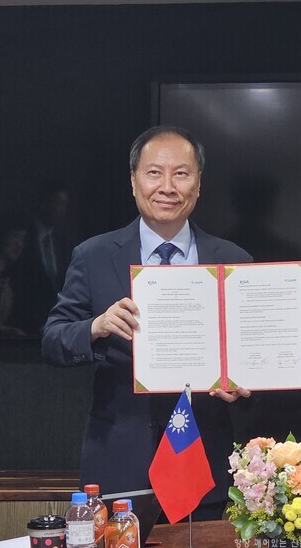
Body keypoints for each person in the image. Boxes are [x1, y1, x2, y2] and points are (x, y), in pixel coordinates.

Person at [42, 125, 252, 519]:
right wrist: (96, 326)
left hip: (204, 460)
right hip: (119, 460)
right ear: (134, 181)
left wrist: (244, 383)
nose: (167, 186)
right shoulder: (94, 255)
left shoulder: (235, 261)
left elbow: (258, 355)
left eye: (182, 173)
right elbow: (53, 340)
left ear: (199, 184)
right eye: (154, 173)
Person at [8, 181, 72, 336]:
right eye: (58, 203)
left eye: (65, 205)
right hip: (25, 327)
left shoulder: (64, 241)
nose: (61, 210)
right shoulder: (23, 236)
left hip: (57, 326)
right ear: (44, 203)